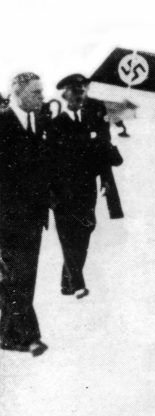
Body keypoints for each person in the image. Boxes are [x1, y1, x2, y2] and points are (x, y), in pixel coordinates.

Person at [49, 74, 122, 299]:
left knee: (84, 232)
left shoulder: (92, 121)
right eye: (76, 91)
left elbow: (103, 153)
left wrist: (106, 179)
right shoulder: (54, 124)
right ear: (65, 95)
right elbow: (47, 161)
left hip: (86, 189)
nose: (81, 95)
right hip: (62, 192)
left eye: (83, 91)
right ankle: (79, 284)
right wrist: (50, 195)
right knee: (67, 236)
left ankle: (67, 281)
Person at [0, 72, 50, 356]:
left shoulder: (39, 122)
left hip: (33, 218)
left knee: (24, 277)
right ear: (17, 94)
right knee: (16, 277)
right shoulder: (2, 123)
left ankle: (8, 335)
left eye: (42, 92)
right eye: (36, 93)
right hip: (7, 219)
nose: (42, 98)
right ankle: (28, 336)